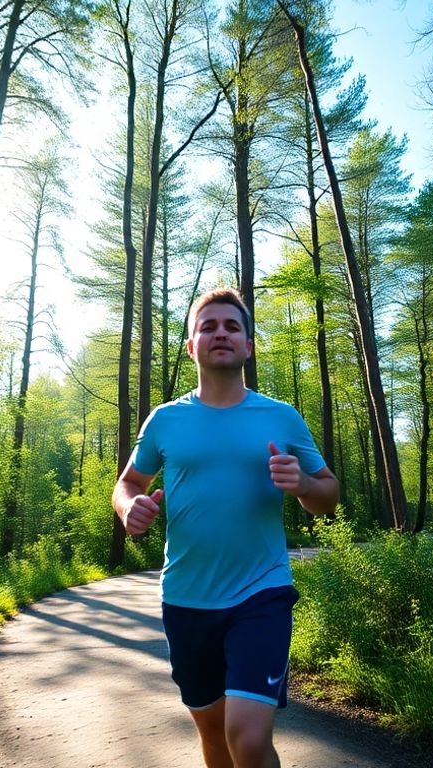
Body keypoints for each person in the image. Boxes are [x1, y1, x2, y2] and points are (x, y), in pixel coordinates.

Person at [111, 288, 339, 768]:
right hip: (186, 600)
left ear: (249, 346)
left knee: (249, 738)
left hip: (262, 593)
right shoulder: (165, 421)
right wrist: (129, 508)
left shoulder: (281, 416)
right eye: (208, 326)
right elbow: (128, 483)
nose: (221, 333)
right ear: (192, 346)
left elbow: (329, 495)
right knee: (214, 736)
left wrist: (302, 484)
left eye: (232, 326)